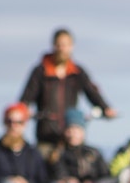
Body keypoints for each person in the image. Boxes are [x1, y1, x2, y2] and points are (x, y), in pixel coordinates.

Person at [19, 28, 117, 162]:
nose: (61, 48)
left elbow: (91, 92)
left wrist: (106, 108)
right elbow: (26, 97)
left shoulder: (77, 72)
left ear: (72, 46)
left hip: (70, 132)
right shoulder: (40, 71)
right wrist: (22, 111)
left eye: (65, 45)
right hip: (46, 134)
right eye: (58, 44)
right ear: (53, 46)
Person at [47, 108, 114, 183]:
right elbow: (57, 175)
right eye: (69, 129)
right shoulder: (58, 154)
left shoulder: (93, 153)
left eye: (76, 129)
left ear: (83, 131)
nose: (72, 134)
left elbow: (106, 176)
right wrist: (68, 181)